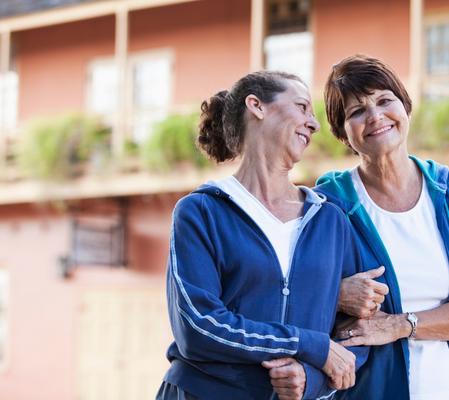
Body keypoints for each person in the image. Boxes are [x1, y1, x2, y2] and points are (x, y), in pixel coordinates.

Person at [156, 70, 384, 400]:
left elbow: (356, 331)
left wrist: (309, 379)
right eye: (303, 107)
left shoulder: (330, 218)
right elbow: (199, 327)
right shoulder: (201, 211)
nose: (314, 123)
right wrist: (308, 344)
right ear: (257, 106)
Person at [312, 54, 449, 400]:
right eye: (357, 111)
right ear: (342, 134)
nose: (375, 116)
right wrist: (334, 292)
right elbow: (288, 297)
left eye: (384, 100)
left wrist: (400, 325)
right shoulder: (327, 205)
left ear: (405, 106)